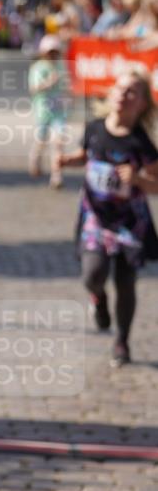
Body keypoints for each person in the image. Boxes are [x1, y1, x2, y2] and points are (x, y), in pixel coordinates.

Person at [56, 68, 158, 367]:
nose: (123, 96)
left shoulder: (142, 143)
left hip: (129, 221)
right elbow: (85, 156)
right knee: (93, 273)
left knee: (126, 282)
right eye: (120, 89)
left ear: (142, 104)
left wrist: (138, 179)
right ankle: (98, 299)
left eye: (132, 92)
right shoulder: (95, 128)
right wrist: (65, 160)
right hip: (95, 217)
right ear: (110, 93)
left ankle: (122, 341)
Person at [28, 35, 68, 189]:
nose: (52, 56)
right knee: (41, 140)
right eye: (50, 52)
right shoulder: (38, 68)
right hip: (43, 110)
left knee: (58, 143)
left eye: (55, 52)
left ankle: (56, 175)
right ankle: (35, 160)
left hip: (59, 111)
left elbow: (66, 85)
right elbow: (34, 88)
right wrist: (49, 82)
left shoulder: (61, 66)